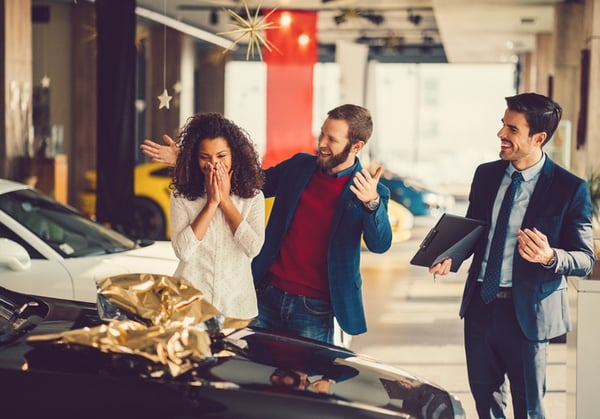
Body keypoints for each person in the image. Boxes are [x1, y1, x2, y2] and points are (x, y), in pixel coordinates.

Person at [141, 104, 393, 344]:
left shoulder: (370, 191)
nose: (322, 144)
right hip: (266, 294)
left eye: (332, 140)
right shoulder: (299, 167)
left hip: (315, 307)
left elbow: (380, 244)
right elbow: (250, 181)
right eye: (322, 134)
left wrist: (371, 203)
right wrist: (188, 159)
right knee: (253, 375)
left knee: (303, 384)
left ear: (356, 146)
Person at [429, 92, 595, 418]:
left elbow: (585, 258)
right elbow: (476, 231)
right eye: (503, 125)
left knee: (529, 410)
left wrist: (550, 256)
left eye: (512, 129)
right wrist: (453, 255)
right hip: (480, 305)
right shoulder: (486, 174)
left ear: (539, 138)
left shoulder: (569, 188)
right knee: (485, 404)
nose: (501, 135)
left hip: (528, 317)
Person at [168, 112, 265, 321]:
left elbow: (253, 248)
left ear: (234, 156)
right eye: (205, 157)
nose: (213, 164)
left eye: (221, 156)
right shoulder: (181, 197)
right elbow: (183, 251)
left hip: (237, 307)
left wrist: (226, 202)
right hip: (189, 307)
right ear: (195, 159)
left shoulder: (253, 198)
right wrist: (212, 203)